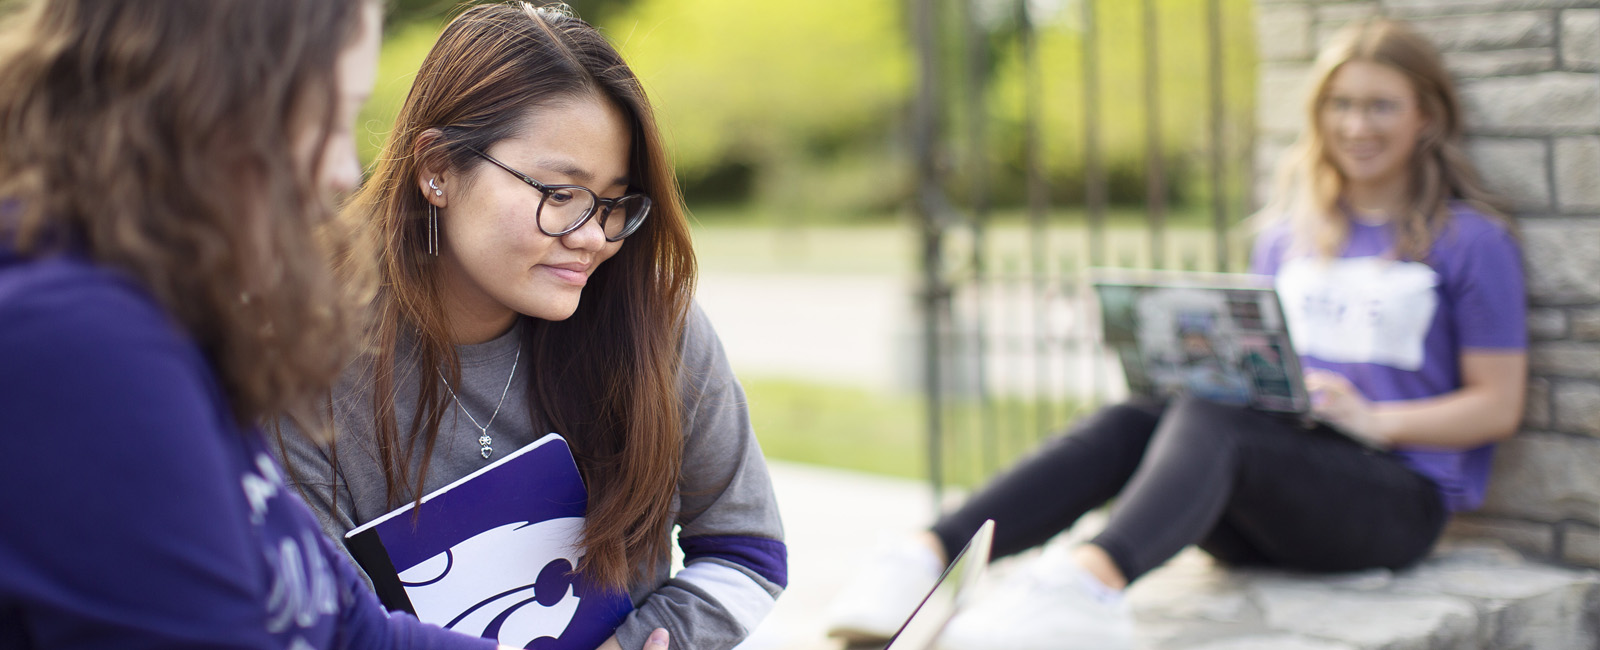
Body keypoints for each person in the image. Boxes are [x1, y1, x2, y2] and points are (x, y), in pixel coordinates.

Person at [824, 17, 1527, 650]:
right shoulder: (1289, 239)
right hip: (1267, 488)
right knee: (1144, 414)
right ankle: (923, 558)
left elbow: (1498, 405)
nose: (1356, 126)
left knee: (1210, 411)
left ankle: (1087, 585)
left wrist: (1374, 418)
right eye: (1340, 105)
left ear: (1426, 117)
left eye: (1381, 106)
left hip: (1393, 504)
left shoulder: (1469, 242)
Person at [0, 1, 679, 648]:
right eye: (326, 118)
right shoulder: (75, 346)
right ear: (205, 101)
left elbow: (344, 623)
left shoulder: (160, 319)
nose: (343, 168)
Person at [269, 4, 785, 650]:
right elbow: (324, 628)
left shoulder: (652, 323)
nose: (594, 237)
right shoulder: (300, 364)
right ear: (437, 170)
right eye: (559, 194)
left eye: (613, 203)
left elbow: (748, 549)